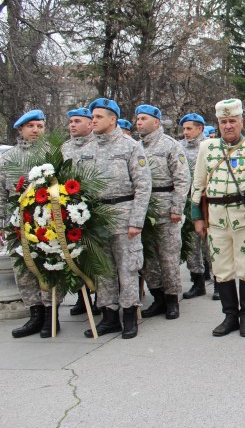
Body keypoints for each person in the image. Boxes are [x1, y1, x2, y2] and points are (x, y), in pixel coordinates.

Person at [191, 98, 245, 337]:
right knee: (221, 269)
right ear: (218, 123)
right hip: (215, 218)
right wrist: (197, 217)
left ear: (241, 122)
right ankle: (230, 316)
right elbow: (198, 185)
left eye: (232, 121)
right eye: (224, 121)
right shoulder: (206, 147)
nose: (228, 126)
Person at [83, 97, 152, 339]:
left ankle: (130, 315)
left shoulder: (130, 146)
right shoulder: (86, 148)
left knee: (128, 268)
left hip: (124, 215)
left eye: (99, 116)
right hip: (97, 218)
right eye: (93, 116)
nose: (94, 120)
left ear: (113, 119)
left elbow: (143, 185)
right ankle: (109, 316)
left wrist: (136, 221)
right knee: (104, 270)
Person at [1, 110, 62, 338]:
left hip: (45, 221)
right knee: (23, 269)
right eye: (31, 126)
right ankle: (34, 314)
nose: (36, 130)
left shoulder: (52, 153)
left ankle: (50, 314)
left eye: (40, 126)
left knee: (48, 266)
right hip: (16, 223)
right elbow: (1, 191)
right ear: (20, 130)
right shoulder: (7, 158)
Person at [136, 105, 190, 321]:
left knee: (168, 257)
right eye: (137, 118)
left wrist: (177, 208)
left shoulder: (170, 145)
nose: (139, 122)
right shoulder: (136, 146)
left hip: (166, 208)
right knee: (148, 259)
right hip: (144, 210)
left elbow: (182, 179)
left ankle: (171, 299)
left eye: (144, 118)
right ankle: (157, 296)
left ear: (156, 122)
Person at [61, 107, 101, 317]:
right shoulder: (65, 148)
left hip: (95, 209)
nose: (73, 125)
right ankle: (81, 296)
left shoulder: (99, 145)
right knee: (76, 255)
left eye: (78, 121)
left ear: (89, 124)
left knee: (95, 256)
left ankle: (100, 299)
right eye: (71, 122)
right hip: (71, 209)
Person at [179, 112, 213, 300]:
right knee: (192, 245)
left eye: (189, 128)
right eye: (184, 129)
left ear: (200, 129)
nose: (186, 132)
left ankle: (218, 282)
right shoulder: (178, 147)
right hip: (188, 202)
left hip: (207, 201)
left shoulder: (211, 147)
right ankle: (198, 282)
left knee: (211, 244)